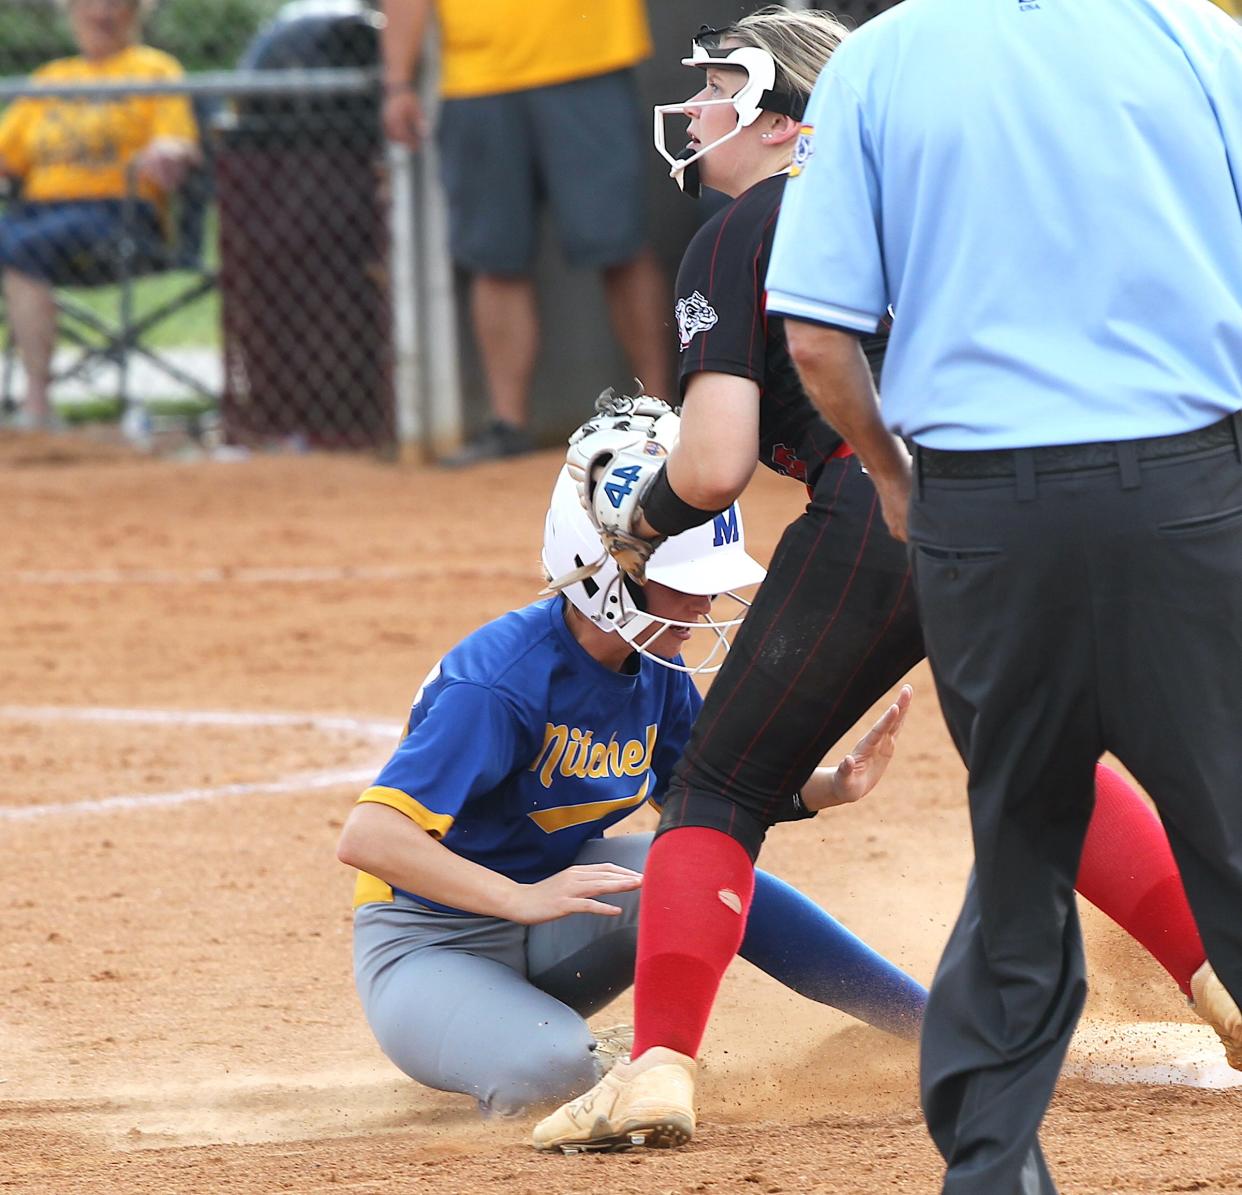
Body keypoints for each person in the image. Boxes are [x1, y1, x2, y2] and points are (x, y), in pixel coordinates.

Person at [533, 6, 1242, 1156]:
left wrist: (634, 527)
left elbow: (713, 464)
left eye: (717, 88)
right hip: (1026, 490)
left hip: (884, 495)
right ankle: (1222, 984)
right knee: (1045, 761)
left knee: (716, 789)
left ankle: (658, 1068)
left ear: (775, 115)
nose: (698, 112)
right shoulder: (930, 179)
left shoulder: (742, 227)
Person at [758, 0, 1242, 1190]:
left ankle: (994, 1167)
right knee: (1231, 828)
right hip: (1185, 488)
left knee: (1023, 839)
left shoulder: (877, 59)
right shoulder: (1200, 34)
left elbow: (818, 340)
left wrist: (890, 473)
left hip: (984, 509)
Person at [336, 450, 926, 1116]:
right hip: (429, 943)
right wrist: (518, 896)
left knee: (710, 875)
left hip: (554, 910)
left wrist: (827, 786)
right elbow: (370, 835)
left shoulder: (653, 665)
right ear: (609, 577)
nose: (704, 601)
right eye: (684, 582)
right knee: (549, 1074)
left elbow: (708, 797)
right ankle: (544, 1047)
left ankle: (935, 1028)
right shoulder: (499, 684)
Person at [379, 0, 673, 467]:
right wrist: (397, 81)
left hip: (589, 60)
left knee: (622, 246)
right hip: (477, 77)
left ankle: (662, 417)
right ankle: (508, 426)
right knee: (493, 258)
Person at [0, 0, 199, 431]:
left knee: (20, 247)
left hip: (119, 215)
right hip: (36, 211)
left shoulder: (154, 69)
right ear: (69, 13)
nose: (101, 15)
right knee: (18, 241)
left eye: (115, 5)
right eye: (89, 5)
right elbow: (6, 155)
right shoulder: (51, 79)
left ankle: (36, 407)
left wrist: (169, 154)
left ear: (136, 14)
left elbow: (178, 141)